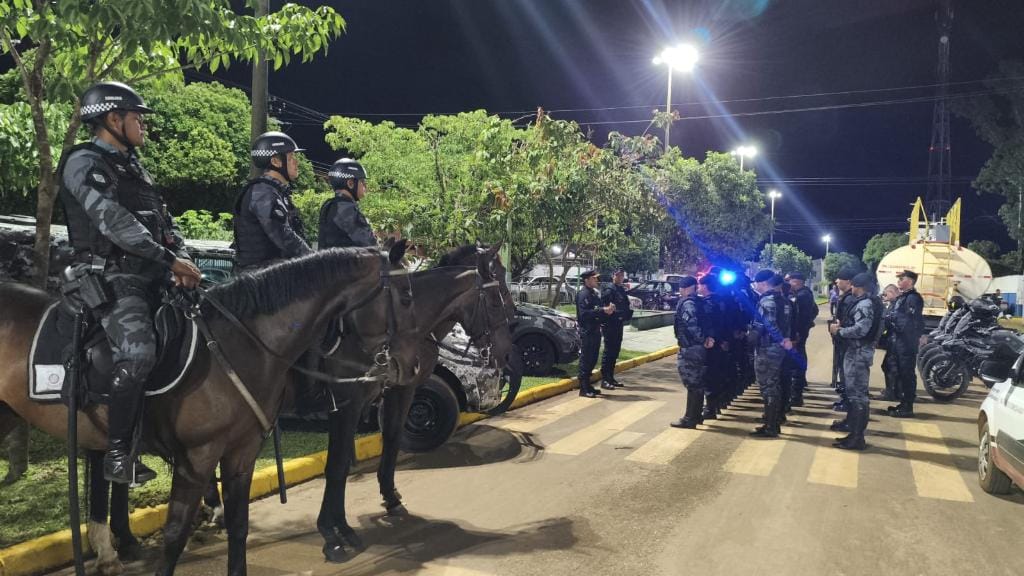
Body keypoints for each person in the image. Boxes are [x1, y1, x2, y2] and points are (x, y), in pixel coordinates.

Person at [58, 81, 202, 484]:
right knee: (137, 354)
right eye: (137, 118)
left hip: (153, 272)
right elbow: (116, 223)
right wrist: (170, 260)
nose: (143, 126)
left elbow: (164, 224)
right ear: (113, 119)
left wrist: (183, 256)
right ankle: (119, 454)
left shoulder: (135, 167)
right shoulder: (83, 162)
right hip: (113, 276)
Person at [233, 131, 312, 272]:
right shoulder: (263, 192)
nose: (296, 162)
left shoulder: (274, 191)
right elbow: (284, 236)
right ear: (275, 161)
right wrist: (316, 260)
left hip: (269, 276)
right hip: (259, 281)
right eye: (291, 157)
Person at [828, 272, 879, 450]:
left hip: (858, 353)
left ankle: (857, 438)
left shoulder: (865, 304)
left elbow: (861, 329)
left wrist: (839, 331)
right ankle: (854, 433)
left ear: (859, 286)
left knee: (858, 397)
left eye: (854, 285)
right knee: (855, 394)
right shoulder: (867, 301)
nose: (851, 288)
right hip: (856, 352)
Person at [749, 270, 793, 438]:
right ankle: (773, 421)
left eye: (758, 283)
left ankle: (771, 426)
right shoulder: (784, 301)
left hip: (768, 348)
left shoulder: (767, 301)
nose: (756, 286)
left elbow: (769, 325)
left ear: (763, 283)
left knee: (768, 387)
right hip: (779, 348)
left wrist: (752, 337)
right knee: (774, 384)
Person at [671, 277, 713, 428]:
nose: (680, 290)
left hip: (691, 348)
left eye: (682, 288)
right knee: (697, 382)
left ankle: (690, 418)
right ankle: (696, 415)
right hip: (697, 347)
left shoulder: (688, 303)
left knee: (692, 383)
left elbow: (692, 324)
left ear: (688, 288)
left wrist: (702, 339)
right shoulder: (700, 302)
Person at [885, 270, 925, 418]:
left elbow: (912, 322)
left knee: (907, 374)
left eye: (902, 279)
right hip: (899, 341)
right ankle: (903, 403)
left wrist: (896, 323)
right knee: (900, 373)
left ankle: (908, 407)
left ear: (910, 281)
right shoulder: (903, 298)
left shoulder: (913, 298)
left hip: (906, 343)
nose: (899, 281)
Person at [318, 158, 377, 249]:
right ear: (350, 183)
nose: (365, 186)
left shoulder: (329, 205)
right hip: (345, 263)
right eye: (362, 181)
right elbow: (369, 243)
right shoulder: (346, 209)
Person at [576, 270, 615, 398]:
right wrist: (601, 310)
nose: (596, 281)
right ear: (586, 280)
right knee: (586, 359)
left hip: (595, 330)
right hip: (587, 330)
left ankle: (588, 385)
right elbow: (584, 313)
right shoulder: (583, 294)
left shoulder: (593, 293)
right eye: (594, 278)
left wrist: (606, 311)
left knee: (592, 359)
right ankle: (583, 387)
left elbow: (598, 309)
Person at [697, 274, 730, 420]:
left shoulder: (708, 303)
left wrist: (711, 338)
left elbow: (710, 325)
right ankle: (714, 406)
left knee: (708, 376)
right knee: (716, 374)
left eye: (700, 285)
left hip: (711, 344)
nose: (699, 287)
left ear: (705, 286)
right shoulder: (722, 301)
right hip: (721, 342)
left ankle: (710, 409)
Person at [787, 272, 818, 407]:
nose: (788, 283)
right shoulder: (806, 293)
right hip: (801, 331)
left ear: (797, 282)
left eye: (789, 281)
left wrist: (798, 331)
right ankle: (798, 387)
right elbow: (815, 310)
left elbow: (799, 316)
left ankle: (796, 395)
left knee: (796, 361)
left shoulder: (802, 296)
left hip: (798, 333)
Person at [830, 268, 857, 416]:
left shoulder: (849, 298)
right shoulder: (846, 297)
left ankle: (847, 401)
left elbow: (847, 321)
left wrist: (838, 330)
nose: (836, 281)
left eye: (839, 279)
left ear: (847, 281)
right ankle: (845, 399)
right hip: (842, 340)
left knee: (846, 373)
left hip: (846, 340)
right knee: (842, 370)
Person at [601, 269, 633, 389]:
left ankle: (611, 377)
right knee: (608, 352)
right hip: (610, 324)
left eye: (622, 275)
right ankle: (604, 379)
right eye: (618, 275)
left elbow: (624, 305)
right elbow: (605, 307)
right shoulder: (609, 290)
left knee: (615, 351)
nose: (620, 277)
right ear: (613, 276)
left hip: (618, 324)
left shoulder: (621, 289)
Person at [879, 284, 901, 402]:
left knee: (890, 367)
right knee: (889, 366)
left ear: (892, 292)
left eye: (885, 293)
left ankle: (891, 393)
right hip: (893, 340)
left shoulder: (897, 305)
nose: (884, 296)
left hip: (896, 341)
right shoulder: (894, 304)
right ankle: (892, 391)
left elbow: (892, 321)